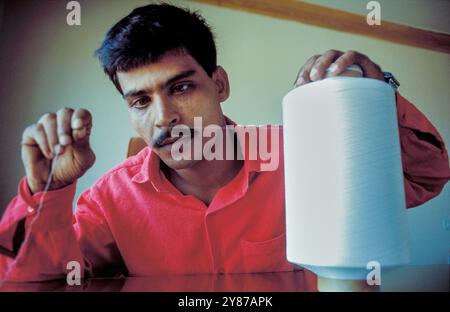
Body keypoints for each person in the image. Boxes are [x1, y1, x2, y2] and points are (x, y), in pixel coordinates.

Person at [0, 3, 449, 282]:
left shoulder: (304, 156)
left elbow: (426, 177)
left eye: (181, 88)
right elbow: (33, 281)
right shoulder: (108, 200)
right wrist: (47, 193)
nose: (164, 117)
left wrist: (377, 99)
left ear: (219, 84)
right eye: (140, 100)